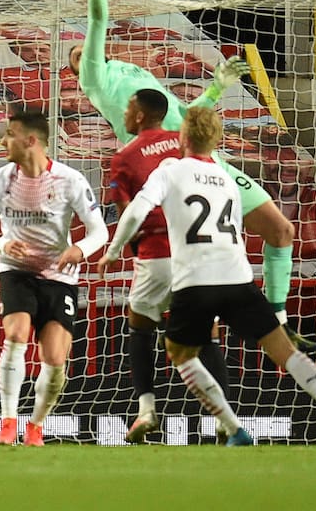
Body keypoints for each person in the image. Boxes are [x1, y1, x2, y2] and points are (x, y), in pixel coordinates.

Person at [73, 0, 316, 353]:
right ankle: (188, 378)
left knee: (281, 231)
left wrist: (219, 85)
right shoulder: (96, 79)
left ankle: (279, 321)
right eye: (77, 56)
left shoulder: (136, 73)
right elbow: (98, 20)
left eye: (86, 52)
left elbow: (190, 115)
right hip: (172, 169)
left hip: (208, 159)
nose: (86, 54)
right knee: (206, 285)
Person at [103, 106, 316, 445]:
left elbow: (138, 208)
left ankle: (233, 428)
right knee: (285, 352)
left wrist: (113, 250)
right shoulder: (227, 177)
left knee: (180, 352)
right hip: (237, 277)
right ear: (216, 141)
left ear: (182, 137)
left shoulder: (170, 169)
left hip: (196, 280)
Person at [96, 89, 234, 443]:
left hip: (156, 254)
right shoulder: (184, 144)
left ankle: (146, 410)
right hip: (200, 256)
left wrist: (118, 249)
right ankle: (223, 418)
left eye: (127, 106)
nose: (125, 112)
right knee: (207, 338)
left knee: (140, 327)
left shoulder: (124, 157)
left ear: (140, 115)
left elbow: (129, 211)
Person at [0, 110, 108, 446]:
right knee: (16, 333)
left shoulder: (70, 180)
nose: (3, 141)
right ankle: (7, 422)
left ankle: (34, 426)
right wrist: (4, 244)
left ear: (30, 141)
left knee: (54, 358)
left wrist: (79, 249)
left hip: (59, 275)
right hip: (16, 271)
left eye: (10, 134)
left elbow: (99, 232)